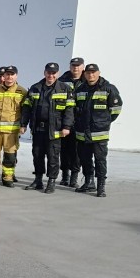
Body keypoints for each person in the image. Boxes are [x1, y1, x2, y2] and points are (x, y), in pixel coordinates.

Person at [20, 62, 75, 194]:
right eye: (49, 72)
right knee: (37, 155)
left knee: (53, 156)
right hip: (38, 129)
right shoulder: (35, 88)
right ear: (44, 73)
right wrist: (23, 124)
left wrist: (67, 127)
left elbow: (69, 110)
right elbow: (27, 108)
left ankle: (51, 182)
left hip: (55, 130)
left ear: (58, 73)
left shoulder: (65, 89)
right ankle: (38, 180)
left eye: (53, 73)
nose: (51, 75)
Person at [73, 63, 122, 197]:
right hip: (82, 133)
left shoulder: (108, 89)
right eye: (88, 73)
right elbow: (74, 108)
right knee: (85, 159)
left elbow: (115, 110)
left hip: (99, 133)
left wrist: (104, 122)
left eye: (93, 72)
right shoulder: (80, 89)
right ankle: (89, 182)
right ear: (85, 74)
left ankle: (101, 186)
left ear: (99, 73)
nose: (91, 75)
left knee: (100, 160)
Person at [57, 56, 85, 186]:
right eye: (73, 65)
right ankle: (65, 176)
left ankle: (74, 177)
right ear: (70, 67)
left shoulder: (87, 81)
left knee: (76, 151)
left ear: (83, 67)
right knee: (64, 150)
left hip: (79, 122)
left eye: (78, 65)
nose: (76, 67)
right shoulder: (62, 80)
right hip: (63, 121)